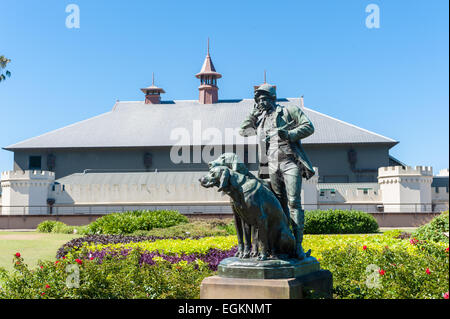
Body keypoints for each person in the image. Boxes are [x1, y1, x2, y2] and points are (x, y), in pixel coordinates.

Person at [239, 83, 315, 260]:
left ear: (273, 98)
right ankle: (280, 244)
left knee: (294, 202)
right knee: (278, 207)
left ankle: (297, 247)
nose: (262, 102)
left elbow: (308, 127)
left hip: (290, 162)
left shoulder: (289, 111)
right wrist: (253, 113)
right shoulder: (260, 119)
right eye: (259, 100)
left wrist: (289, 134)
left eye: (265, 98)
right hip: (270, 166)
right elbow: (243, 130)